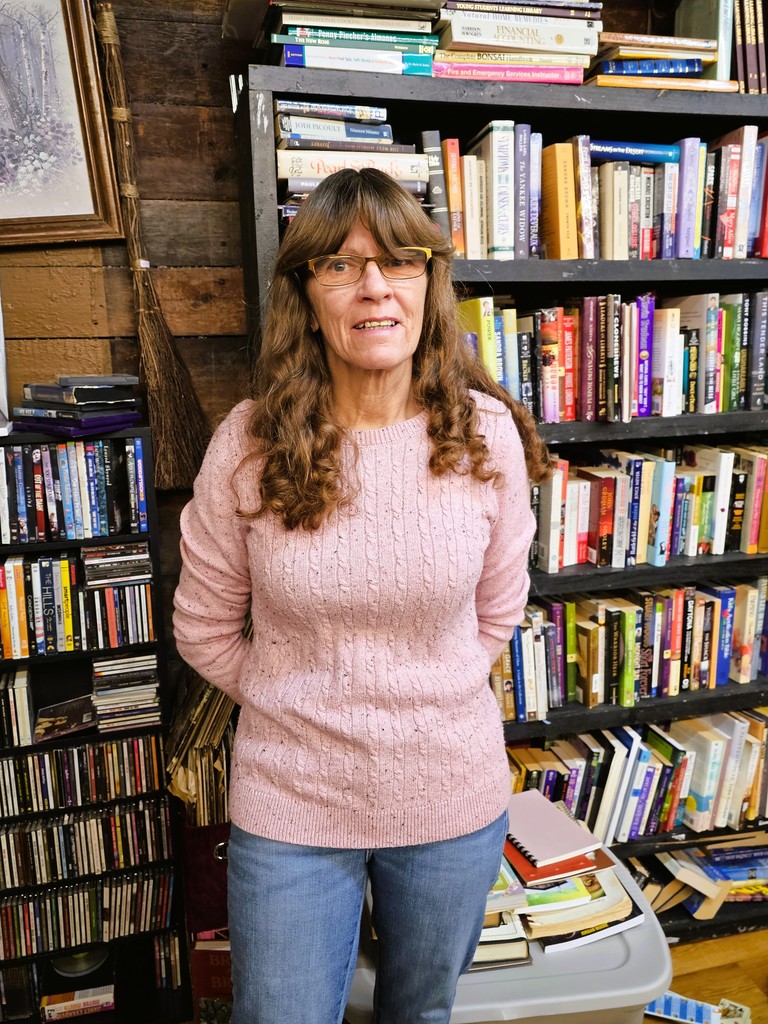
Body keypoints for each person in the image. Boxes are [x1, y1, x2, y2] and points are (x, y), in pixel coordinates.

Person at [173, 167, 551, 1024]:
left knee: (420, 1015)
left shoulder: (486, 434)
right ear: (307, 296)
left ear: (428, 283)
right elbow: (201, 629)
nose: (374, 286)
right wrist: (298, 703)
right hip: (292, 802)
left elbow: (498, 611)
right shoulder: (251, 442)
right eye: (340, 266)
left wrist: (420, 701)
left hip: (451, 796)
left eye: (399, 262)